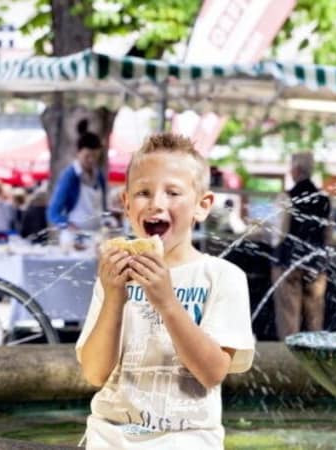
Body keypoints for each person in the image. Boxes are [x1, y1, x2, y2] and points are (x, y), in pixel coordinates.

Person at [76, 133, 255, 449]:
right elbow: (94, 373)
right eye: (143, 192)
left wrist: (169, 304)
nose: (156, 203)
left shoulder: (222, 277)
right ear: (127, 205)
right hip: (109, 439)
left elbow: (213, 372)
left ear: (202, 206)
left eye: (173, 192)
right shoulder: (114, 278)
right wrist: (114, 297)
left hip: (188, 441)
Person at [271, 152, 331, 337]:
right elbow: (327, 234)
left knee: (289, 315)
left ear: (296, 170)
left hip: (289, 263)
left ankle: (289, 357)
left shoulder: (287, 196)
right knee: (315, 317)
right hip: (316, 263)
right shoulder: (324, 199)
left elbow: (278, 233)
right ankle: (315, 355)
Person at [47, 120, 107, 232]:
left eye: (95, 156)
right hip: (75, 238)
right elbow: (53, 213)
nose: (91, 160)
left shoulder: (99, 176)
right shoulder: (69, 176)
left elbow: (103, 208)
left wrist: (109, 219)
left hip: (97, 236)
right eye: (87, 156)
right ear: (78, 152)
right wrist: (66, 224)